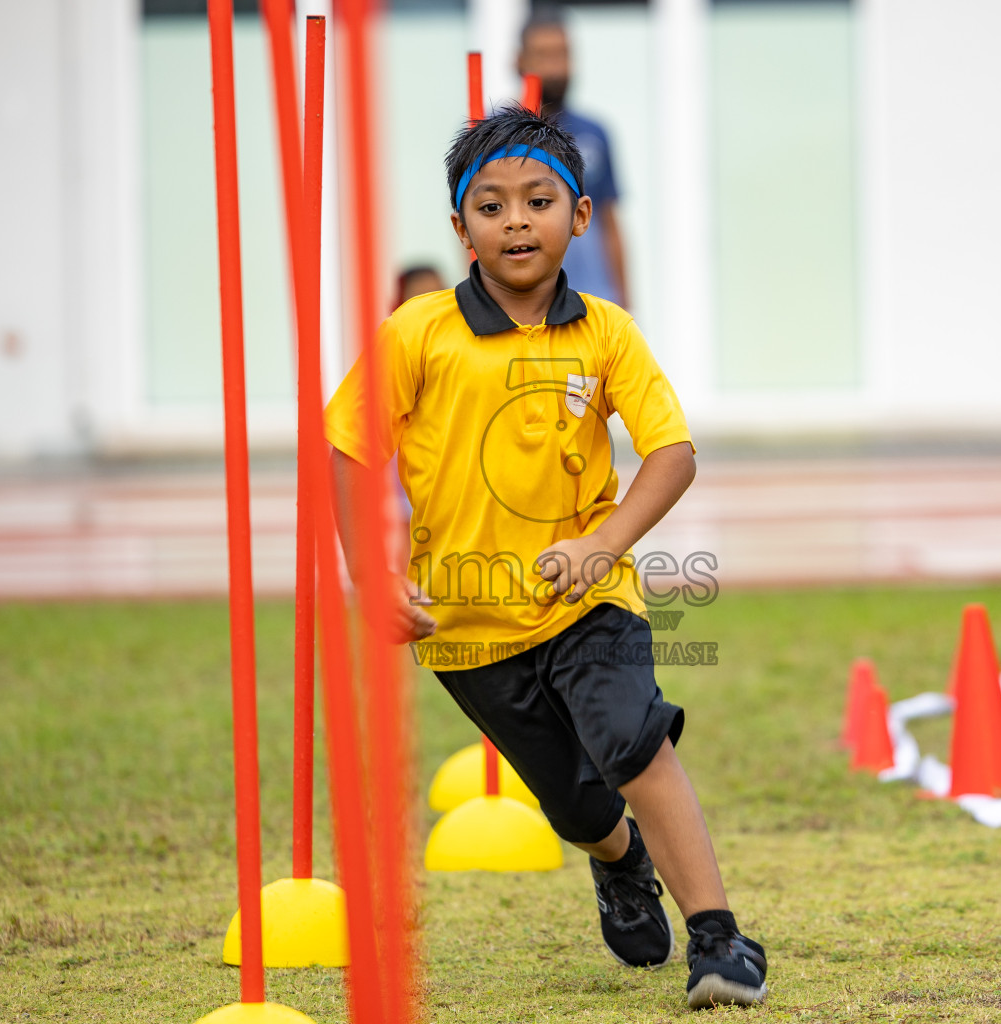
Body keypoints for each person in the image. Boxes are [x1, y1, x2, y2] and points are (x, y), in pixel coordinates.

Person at [322, 105, 767, 1009]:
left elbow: (671, 454)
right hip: (464, 620)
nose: (516, 220)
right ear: (460, 229)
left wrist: (603, 545)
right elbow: (349, 448)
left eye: (538, 200)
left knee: (634, 742)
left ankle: (720, 940)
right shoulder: (417, 333)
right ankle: (620, 862)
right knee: (576, 804)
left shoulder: (605, 331)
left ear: (581, 215)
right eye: (490, 206)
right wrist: (371, 578)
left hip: (590, 600)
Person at [517, 6, 630, 309]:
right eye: (545, 55)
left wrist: (626, 305)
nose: (556, 68)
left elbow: (609, 222)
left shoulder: (594, 133)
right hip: (525, 308)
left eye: (563, 54)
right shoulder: (496, 138)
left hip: (593, 304)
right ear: (519, 60)